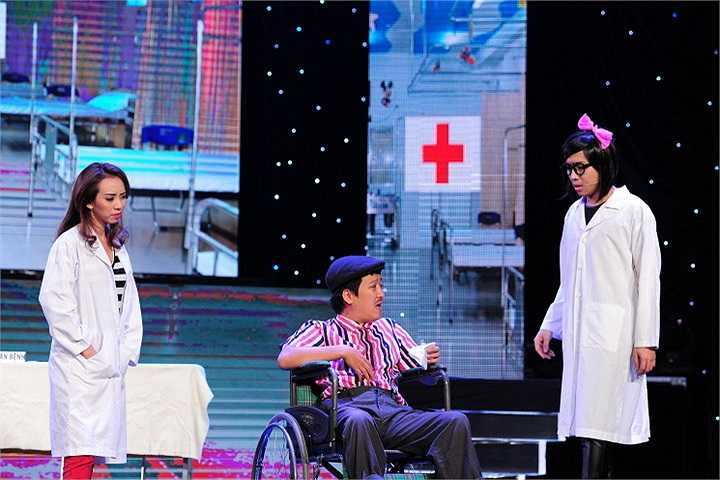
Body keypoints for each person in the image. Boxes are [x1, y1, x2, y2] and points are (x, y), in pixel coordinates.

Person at [533, 114, 661, 478]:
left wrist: (646, 341)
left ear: (601, 165)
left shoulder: (634, 211)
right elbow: (569, 279)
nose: (573, 176)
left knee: (600, 424)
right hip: (580, 334)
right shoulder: (573, 215)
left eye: (580, 168)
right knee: (587, 425)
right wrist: (550, 324)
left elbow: (648, 280)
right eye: (569, 169)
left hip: (615, 335)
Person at [278, 255, 481, 479]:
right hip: (346, 408)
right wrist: (343, 351)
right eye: (373, 287)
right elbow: (286, 357)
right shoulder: (322, 330)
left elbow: (414, 362)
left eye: (381, 286)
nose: (381, 294)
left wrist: (425, 357)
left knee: (454, 422)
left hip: (393, 411)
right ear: (348, 296)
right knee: (359, 420)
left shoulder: (389, 328)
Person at [39, 162, 143, 479]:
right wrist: (85, 348)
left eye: (122, 197)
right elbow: (54, 301)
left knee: (94, 449)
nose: (119, 205)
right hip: (78, 367)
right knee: (78, 450)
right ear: (88, 201)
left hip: (110, 364)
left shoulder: (118, 247)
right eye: (110, 198)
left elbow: (128, 305)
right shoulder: (68, 245)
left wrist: (126, 351)